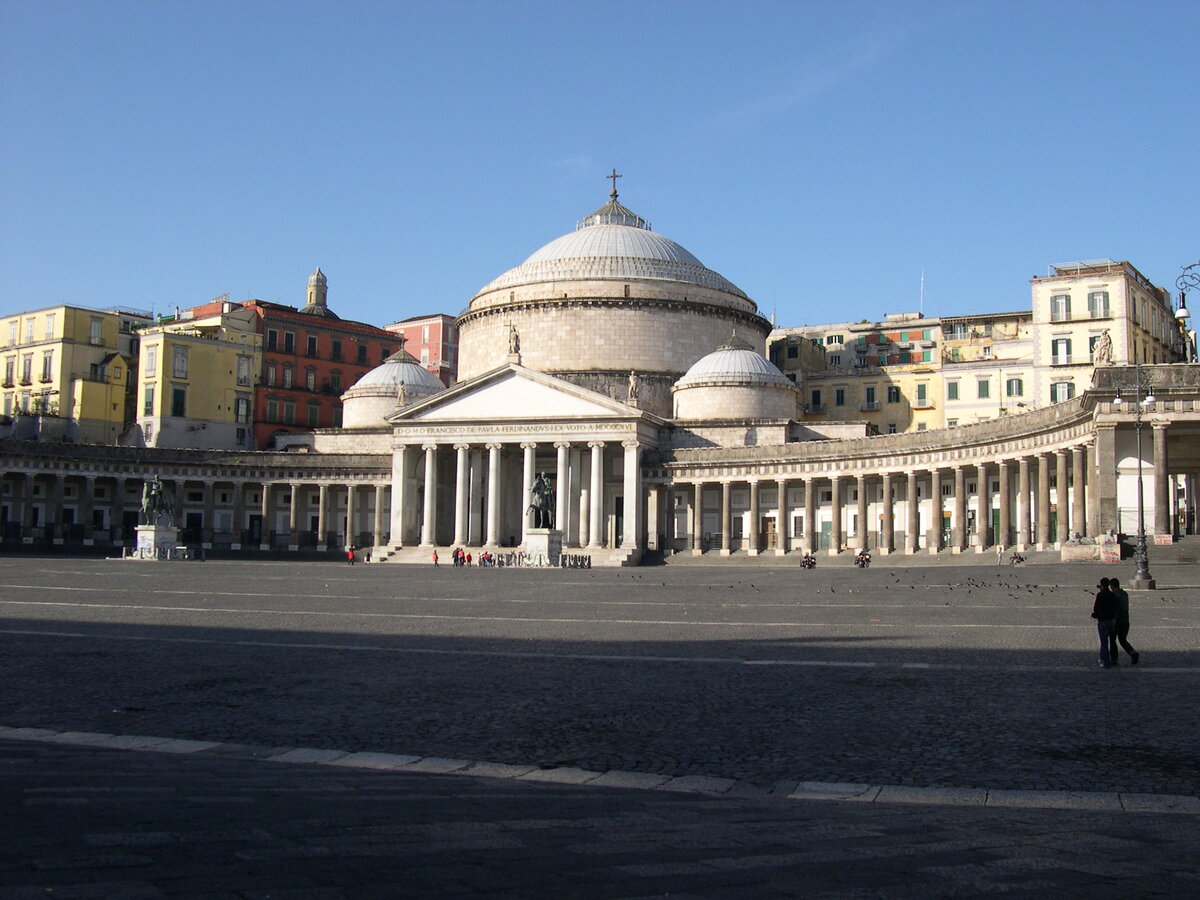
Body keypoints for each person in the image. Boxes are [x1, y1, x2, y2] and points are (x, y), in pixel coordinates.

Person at [1108, 577, 1140, 665]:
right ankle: (1132, 653)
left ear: (1112, 586)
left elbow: (1116, 610)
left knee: (1112, 640)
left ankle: (1114, 659)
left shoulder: (1115, 596)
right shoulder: (1124, 594)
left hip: (1117, 622)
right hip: (1125, 621)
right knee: (1123, 640)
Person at [1091, 577, 1117, 668]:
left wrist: (1095, 614)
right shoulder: (1112, 595)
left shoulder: (1100, 595)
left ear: (1101, 585)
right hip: (1111, 621)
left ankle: (1105, 661)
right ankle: (1113, 659)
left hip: (1103, 620)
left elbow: (1096, 608)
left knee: (1104, 642)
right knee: (1112, 641)